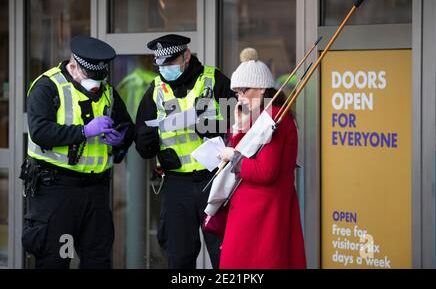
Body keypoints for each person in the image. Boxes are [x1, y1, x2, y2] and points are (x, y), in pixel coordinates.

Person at [20, 36, 134, 269]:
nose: (95, 83)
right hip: (56, 190)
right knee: (55, 260)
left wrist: (121, 137)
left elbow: (126, 125)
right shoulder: (47, 86)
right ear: (73, 66)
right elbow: (40, 131)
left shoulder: (107, 91)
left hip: (96, 190)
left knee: (98, 259)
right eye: (89, 76)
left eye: (99, 78)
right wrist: (84, 131)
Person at [135, 34, 235, 269]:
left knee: (223, 254)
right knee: (178, 257)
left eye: (170, 62)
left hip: (213, 180)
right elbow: (142, 142)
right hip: (176, 184)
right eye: (161, 65)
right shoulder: (156, 89)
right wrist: (147, 141)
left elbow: (239, 124)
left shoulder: (214, 80)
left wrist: (207, 126)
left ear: (186, 56)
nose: (165, 69)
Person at [217, 48, 306, 269]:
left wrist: (232, 155)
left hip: (262, 214)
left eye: (243, 90)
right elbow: (248, 151)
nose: (239, 97)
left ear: (262, 89)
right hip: (256, 211)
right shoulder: (261, 116)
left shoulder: (274, 118)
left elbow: (265, 171)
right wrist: (238, 128)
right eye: (236, 92)